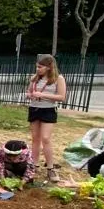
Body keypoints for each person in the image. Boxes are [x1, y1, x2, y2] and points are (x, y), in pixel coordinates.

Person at [26, 54, 67, 182]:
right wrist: (29, 95)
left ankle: (50, 168)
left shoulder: (58, 79)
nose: (37, 69)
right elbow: (29, 91)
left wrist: (43, 94)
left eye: (40, 67)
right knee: (35, 138)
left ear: (49, 67)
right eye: (37, 67)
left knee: (46, 138)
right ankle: (34, 165)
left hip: (48, 110)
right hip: (34, 108)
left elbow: (61, 97)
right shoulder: (34, 78)